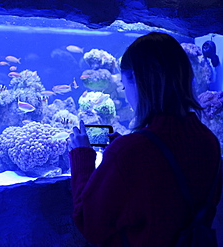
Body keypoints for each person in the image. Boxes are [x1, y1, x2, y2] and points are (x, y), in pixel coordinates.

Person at [69, 32, 222, 247]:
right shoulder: (209, 142)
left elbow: (89, 223)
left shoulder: (129, 153)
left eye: (124, 85)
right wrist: (128, 148)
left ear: (139, 81)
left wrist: (82, 156)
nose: (125, 93)